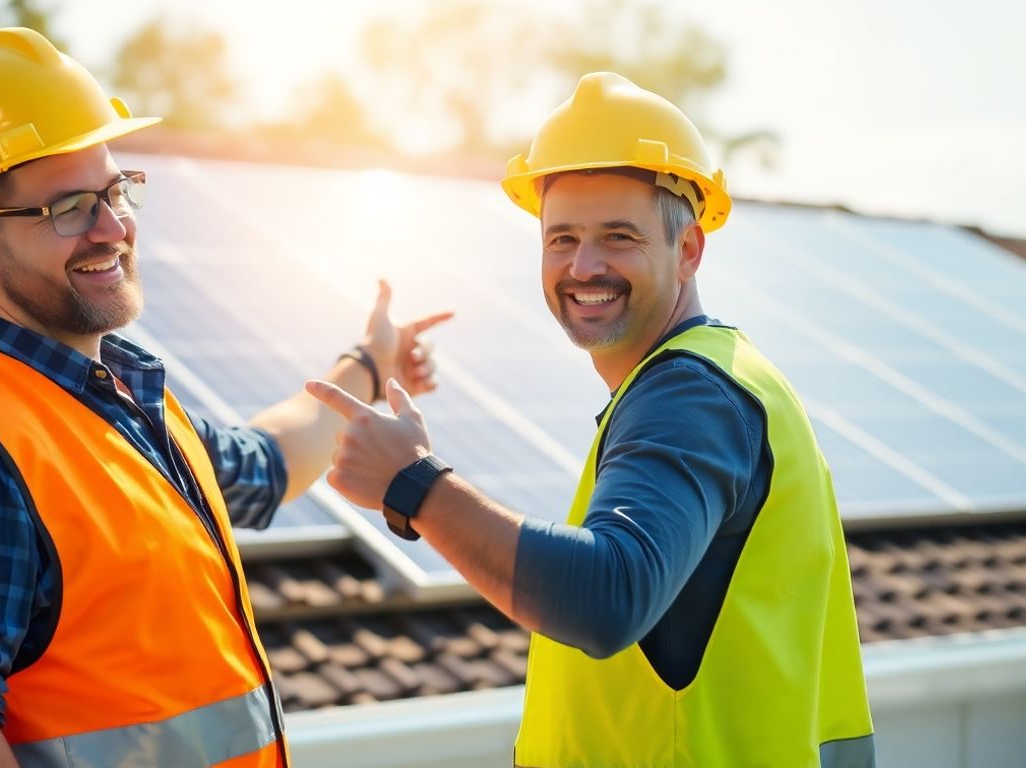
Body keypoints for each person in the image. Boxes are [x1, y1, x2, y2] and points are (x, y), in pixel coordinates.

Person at [0, 27, 451, 768]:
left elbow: (268, 464)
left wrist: (369, 362)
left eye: (114, 190)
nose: (114, 227)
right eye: (68, 208)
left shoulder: (125, 402)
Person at [307, 72, 875, 766]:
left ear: (689, 248)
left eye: (618, 236)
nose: (583, 266)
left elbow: (609, 596)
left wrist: (414, 484)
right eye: (561, 238)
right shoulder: (716, 376)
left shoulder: (690, 395)